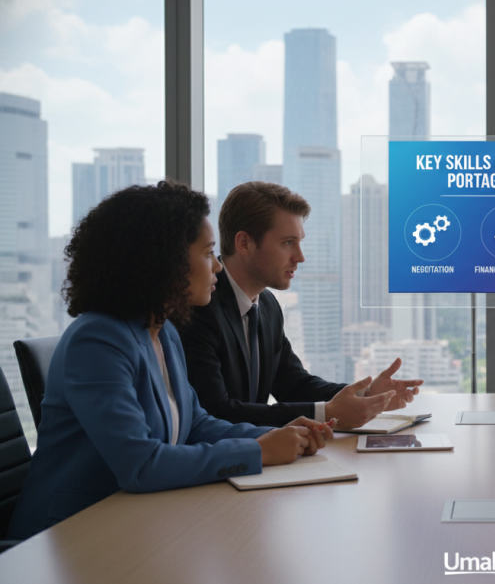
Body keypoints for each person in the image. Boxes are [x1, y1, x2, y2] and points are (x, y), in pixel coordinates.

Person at [9, 182, 339, 539]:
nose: (216, 266)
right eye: (208, 253)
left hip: (139, 520)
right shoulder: (97, 341)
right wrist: (258, 451)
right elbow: (142, 464)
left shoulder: (162, 332)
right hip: (68, 535)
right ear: (164, 260)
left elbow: (196, 425)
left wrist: (279, 435)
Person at [177, 181, 422, 429]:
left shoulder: (268, 306)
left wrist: (365, 394)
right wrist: (325, 414)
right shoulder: (199, 307)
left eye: (299, 242)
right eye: (287, 242)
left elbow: (293, 384)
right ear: (244, 243)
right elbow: (217, 412)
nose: (300, 257)